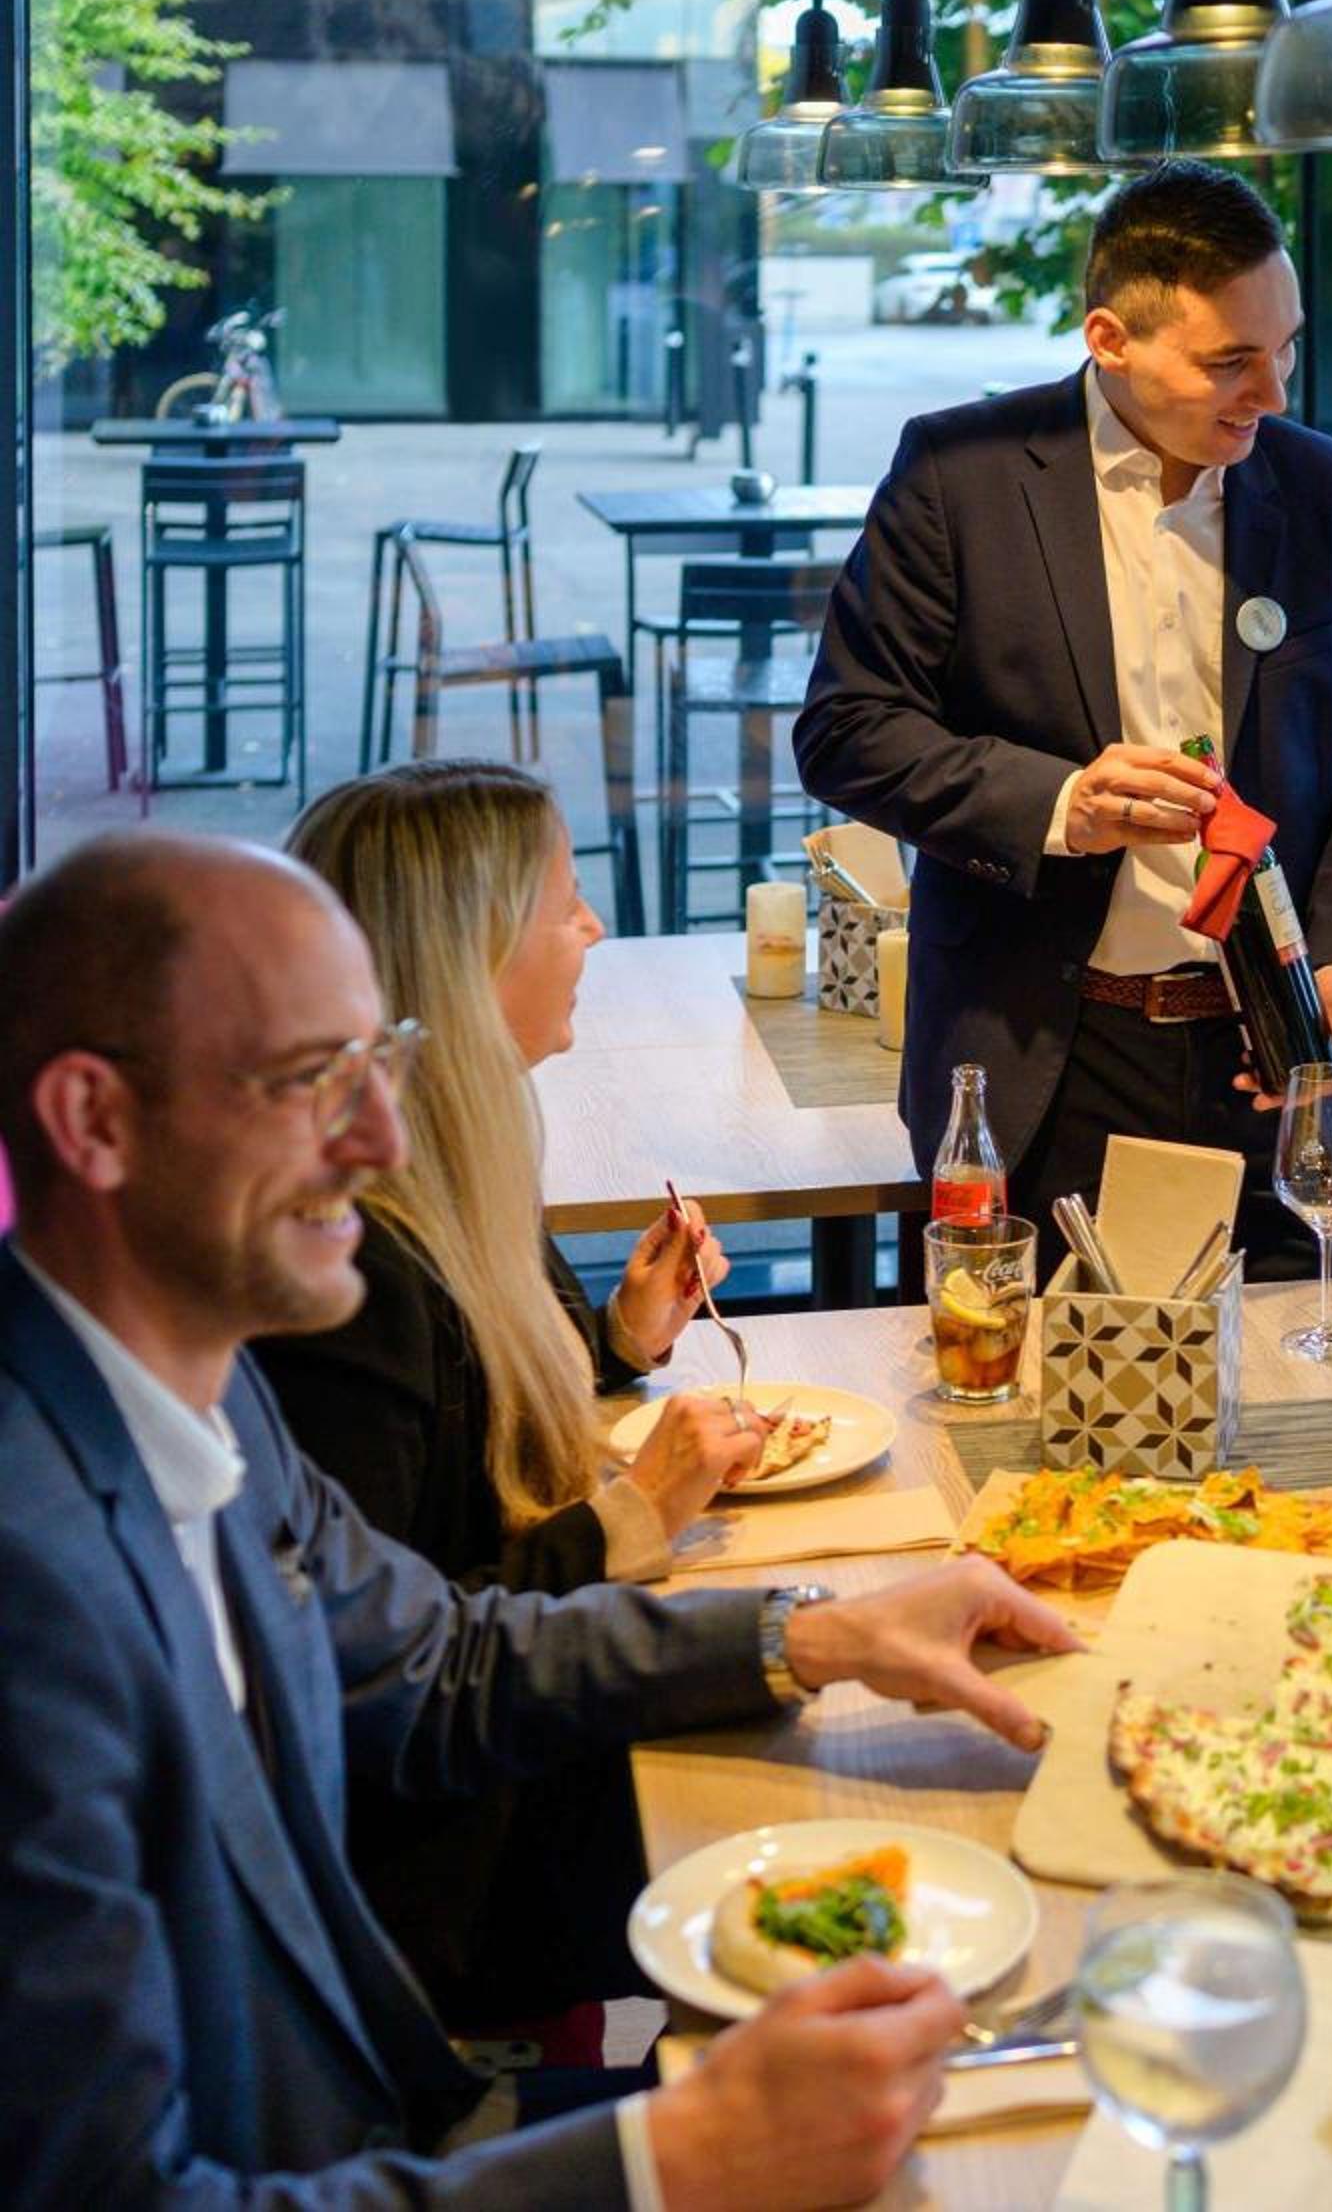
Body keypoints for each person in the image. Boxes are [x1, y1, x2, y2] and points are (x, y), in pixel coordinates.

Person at [0, 830, 1086, 2207]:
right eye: (313, 1080)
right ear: (94, 1120)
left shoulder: (193, 1394)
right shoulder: (31, 1595)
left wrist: (819, 1634)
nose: (383, 1137)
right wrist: (668, 2159)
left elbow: (433, 1659)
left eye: (380, 1062)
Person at [796, 157, 1332, 1283]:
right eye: (1230, 362)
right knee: (1033, 1385)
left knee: (1304, 1369)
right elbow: (847, 728)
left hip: (1272, 1057)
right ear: (1110, 340)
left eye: (1286, 349)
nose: (1273, 393)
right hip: (1046, 1056)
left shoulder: (1326, 490)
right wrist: (1060, 804)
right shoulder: (962, 474)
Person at [249, 761, 751, 2026]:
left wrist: (619, 1340)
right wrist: (632, 1517)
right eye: (565, 902)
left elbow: (465, 1414)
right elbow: (402, 1665)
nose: (594, 928)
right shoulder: (353, 1266)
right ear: (466, 953)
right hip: (459, 1881)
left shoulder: (453, 1155)